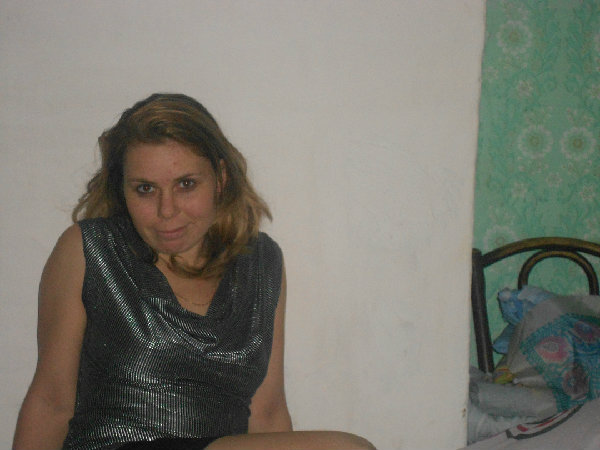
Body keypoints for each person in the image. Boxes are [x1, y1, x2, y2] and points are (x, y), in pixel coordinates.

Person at [12, 93, 375, 450]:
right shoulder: (90, 249)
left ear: (220, 178)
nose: (167, 210)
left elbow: (266, 413)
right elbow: (51, 401)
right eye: (145, 189)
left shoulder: (261, 262)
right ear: (122, 190)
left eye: (185, 184)